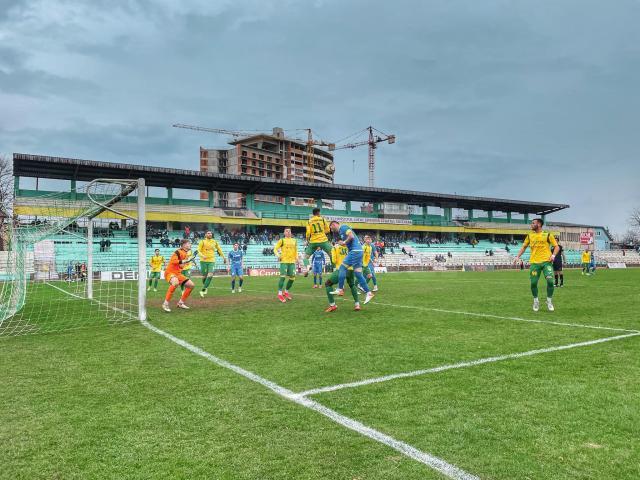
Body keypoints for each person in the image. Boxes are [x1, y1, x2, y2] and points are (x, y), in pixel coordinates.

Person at [514, 218, 560, 312]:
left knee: (551, 282)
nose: (531, 225)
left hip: (546, 262)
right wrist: (517, 256)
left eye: (533, 223)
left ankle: (549, 301)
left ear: (539, 224)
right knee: (533, 283)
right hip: (535, 263)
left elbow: (556, 246)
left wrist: (553, 255)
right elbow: (524, 247)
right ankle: (536, 301)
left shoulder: (547, 235)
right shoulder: (530, 236)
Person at [328, 221, 374, 305]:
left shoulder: (343, 227)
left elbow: (351, 236)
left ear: (334, 225)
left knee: (342, 268)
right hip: (359, 252)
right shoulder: (341, 232)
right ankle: (369, 293)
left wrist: (344, 242)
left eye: (331, 227)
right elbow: (349, 241)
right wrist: (342, 243)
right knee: (358, 274)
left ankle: (340, 289)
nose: (331, 230)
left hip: (355, 251)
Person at [325, 242, 361, 312]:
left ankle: (332, 305)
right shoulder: (351, 246)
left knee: (328, 284)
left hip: (341, 269)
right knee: (352, 285)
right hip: (350, 269)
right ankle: (357, 304)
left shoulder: (335, 247)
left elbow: (334, 260)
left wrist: (332, 252)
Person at [162, 239, 195, 312]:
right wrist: (184, 261)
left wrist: (188, 261)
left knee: (191, 285)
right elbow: (173, 261)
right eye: (189, 243)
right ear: (184, 245)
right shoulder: (177, 252)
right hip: (170, 272)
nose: (190, 245)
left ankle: (180, 303)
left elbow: (181, 266)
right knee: (175, 283)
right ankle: (165, 303)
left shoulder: (186, 254)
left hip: (178, 274)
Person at [303, 208, 333, 277]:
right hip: (323, 240)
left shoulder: (309, 221)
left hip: (313, 241)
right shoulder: (322, 219)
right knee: (332, 254)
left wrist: (307, 240)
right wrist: (322, 233)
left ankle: (307, 267)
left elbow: (308, 233)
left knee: (305, 257)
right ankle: (335, 269)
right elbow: (328, 230)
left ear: (313, 213)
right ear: (318, 213)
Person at [197, 231, 227, 297]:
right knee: (204, 276)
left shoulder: (214, 241)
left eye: (210, 233)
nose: (209, 234)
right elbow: (198, 250)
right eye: (208, 233)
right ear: (205, 235)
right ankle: (205, 286)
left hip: (211, 260)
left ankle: (203, 290)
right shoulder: (202, 242)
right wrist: (202, 255)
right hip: (203, 261)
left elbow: (219, 249)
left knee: (210, 275)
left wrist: (224, 257)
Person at [273, 228, 298, 302]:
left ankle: (286, 292)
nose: (288, 232)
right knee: (283, 277)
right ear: (284, 233)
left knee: (292, 278)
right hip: (284, 261)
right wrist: (278, 255)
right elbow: (275, 249)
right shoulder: (282, 240)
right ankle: (280, 294)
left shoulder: (294, 240)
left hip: (292, 262)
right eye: (286, 231)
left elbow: (296, 250)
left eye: (289, 231)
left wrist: (296, 258)